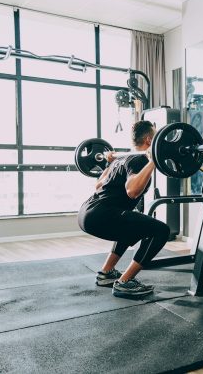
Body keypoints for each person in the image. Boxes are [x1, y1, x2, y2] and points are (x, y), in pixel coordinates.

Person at [77, 120, 170, 299]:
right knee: (161, 231)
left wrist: (108, 163)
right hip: (101, 214)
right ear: (150, 141)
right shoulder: (141, 159)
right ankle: (125, 282)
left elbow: (98, 185)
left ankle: (106, 273)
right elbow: (132, 191)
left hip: (87, 213)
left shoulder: (121, 158)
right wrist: (153, 162)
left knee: (130, 226)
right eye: (157, 136)